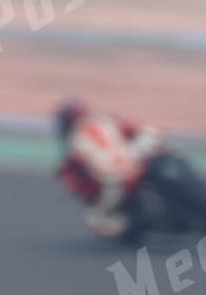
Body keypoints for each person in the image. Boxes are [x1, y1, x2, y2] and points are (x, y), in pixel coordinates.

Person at [55, 98, 165, 240]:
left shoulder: (74, 142)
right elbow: (135, 128)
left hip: (117, 177)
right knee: (150, 137)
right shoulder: (105, 120)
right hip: (132, 160)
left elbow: (75, 172)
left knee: (97, 219)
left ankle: (131, 226)